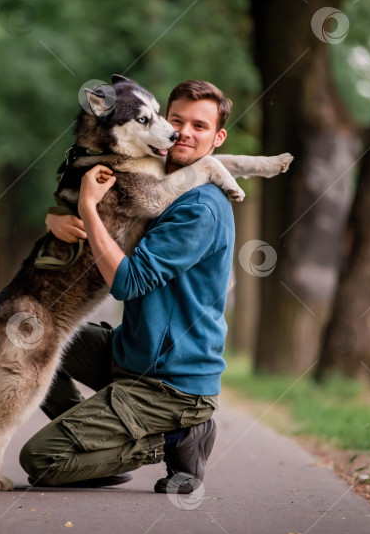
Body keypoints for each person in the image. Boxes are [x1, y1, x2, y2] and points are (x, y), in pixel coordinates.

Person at [19, 80, 235, 494]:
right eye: (177, 120)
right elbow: (104, 203)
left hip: (170, 384)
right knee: (27, 332)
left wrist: (87, 208)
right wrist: (56, 217)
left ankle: (176, 437)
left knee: (43, 461)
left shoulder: (200, 208)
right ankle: (99, 439)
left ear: (217, 137)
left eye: (200, 126)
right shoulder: (161, 177)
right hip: (132, 355)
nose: (184, 132)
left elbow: (128, 281)